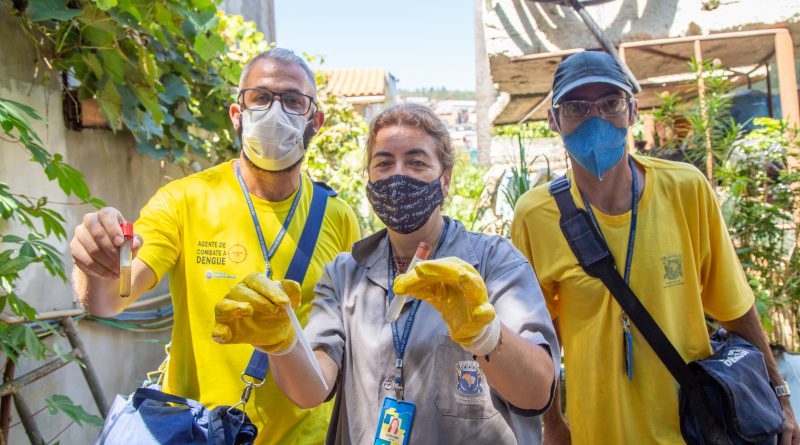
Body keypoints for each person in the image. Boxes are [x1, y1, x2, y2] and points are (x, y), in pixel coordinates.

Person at [213, 103, 560, 444]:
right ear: (369, 179)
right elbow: (312, 389)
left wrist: (486, 335)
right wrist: (284, 343)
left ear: (445, 180)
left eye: (416, 162)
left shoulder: (495, 263)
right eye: (383, 163)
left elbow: (537, 393)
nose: (398, 176)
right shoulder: (344, 275)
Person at [70, 48, 361, 445]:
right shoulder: (183, 200)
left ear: (317, 120)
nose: (275, 111)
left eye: (293, 100)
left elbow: (346, 335)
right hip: (200, 432)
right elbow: (110, 299)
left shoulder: (338, 217)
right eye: (260, 97)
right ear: (236, 115)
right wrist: (97, 266)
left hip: (306, 434)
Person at [509, 50, 800, 444]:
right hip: (598, 431)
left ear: (631, 111)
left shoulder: (685, 188)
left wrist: (781, 396)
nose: (596, 119)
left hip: (696, 428)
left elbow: (735, 307)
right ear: (554, 120)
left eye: (611, 103)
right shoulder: (535, 215)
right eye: (577, 107)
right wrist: (555, 424)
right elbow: (541, 337)